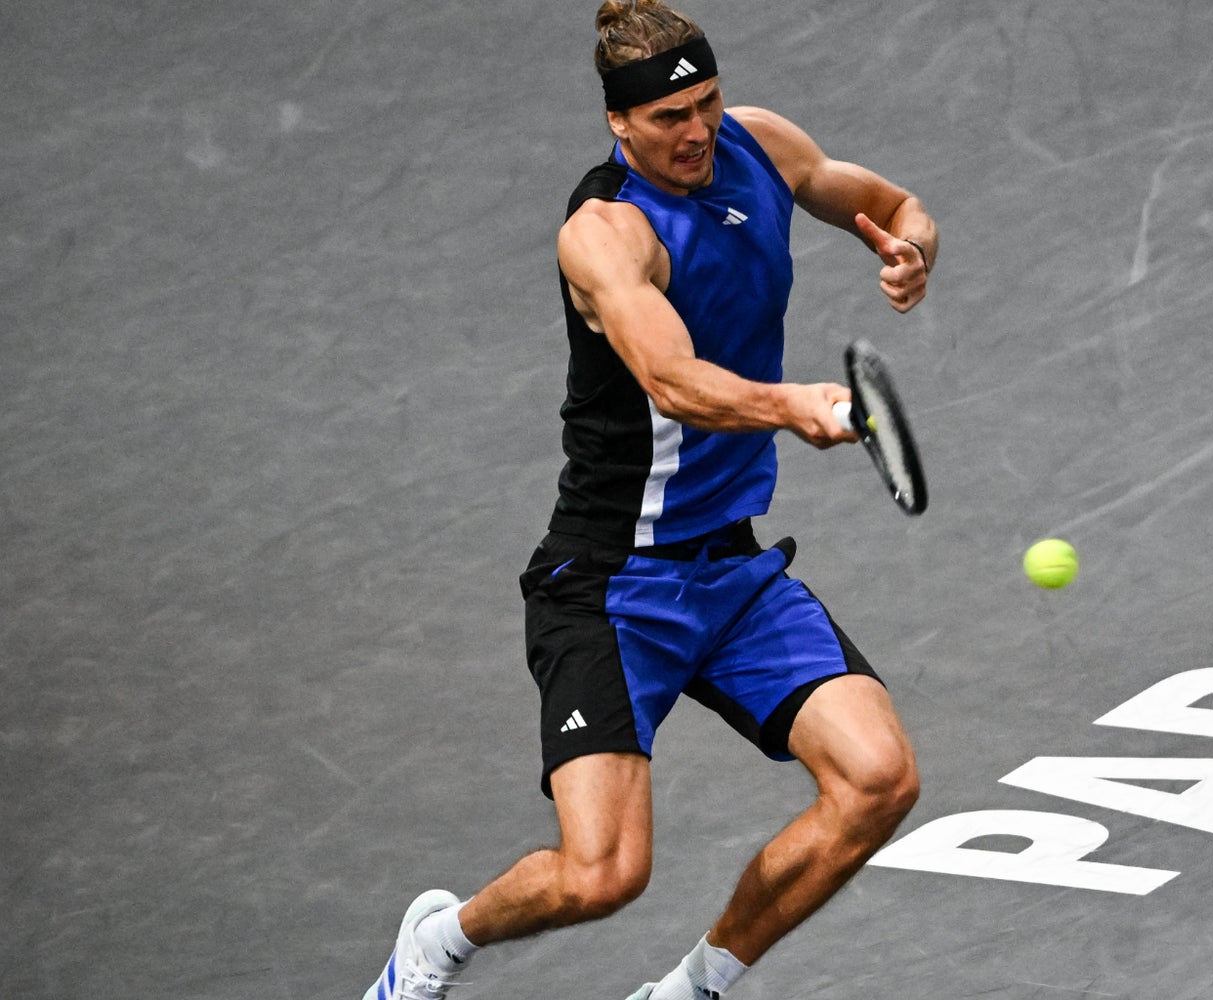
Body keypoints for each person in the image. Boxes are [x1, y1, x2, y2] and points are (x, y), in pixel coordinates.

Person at [363, 3, 936, 997]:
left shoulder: (760, 145)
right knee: (602, 874)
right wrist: (791, 403)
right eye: (668, 116)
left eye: (705, 102)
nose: (697, 131)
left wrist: (910, 246)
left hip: (734, 573)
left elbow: (888, 200)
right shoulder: (606, 235)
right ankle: (435, 944)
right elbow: (671, 381)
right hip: (612, 583)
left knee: (879, 780)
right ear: (617, 124)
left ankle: (690, 989)